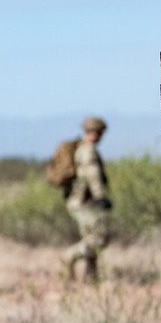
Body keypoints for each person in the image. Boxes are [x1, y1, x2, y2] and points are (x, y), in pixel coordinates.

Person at [61, 116, 111, 282]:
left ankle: (91, 278)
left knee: (91, 238)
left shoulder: (80, 147)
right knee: (97, 239)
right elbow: (92, 174)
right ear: (97, 132)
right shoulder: (88, 150)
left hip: (78, 201)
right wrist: (100, 197)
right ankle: (69, 256)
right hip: (84, 202)